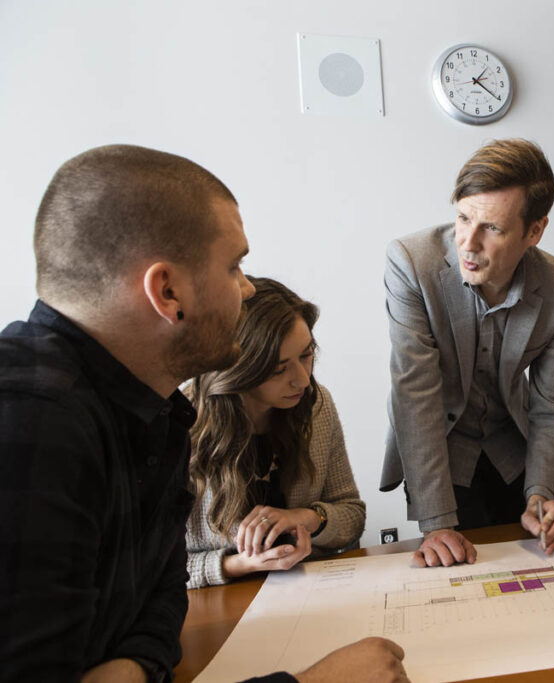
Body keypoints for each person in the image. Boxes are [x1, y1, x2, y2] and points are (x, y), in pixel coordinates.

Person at [0, 145, 406, 682]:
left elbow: (160, 602)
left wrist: (130, 669)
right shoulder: (30, 423)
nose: (248, 287)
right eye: (234, 265)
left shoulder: (157, 412)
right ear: (168, 291)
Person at [381, 138, 554, 568]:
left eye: (491, 228)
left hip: (513, 451)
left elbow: (550, 407)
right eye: (462, 218)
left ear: (534, 231)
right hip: (441, 453)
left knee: (531, 570)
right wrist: (436, 522)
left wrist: (541, 494)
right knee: (455, 574)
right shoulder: (410, 263)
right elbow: (414, 396)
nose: (468, 243)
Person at [186, 277, 366, 588]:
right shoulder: (181, 424)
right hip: (216, 606)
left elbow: (351, 515)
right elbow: (149, 570)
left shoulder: (315, 405)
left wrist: (309, 518)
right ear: (238, 371)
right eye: (279, 369)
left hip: (306, 592)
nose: (302, 381)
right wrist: (236, 565)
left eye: (307, 355)